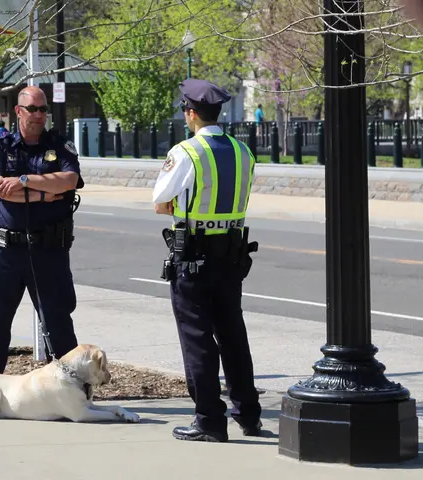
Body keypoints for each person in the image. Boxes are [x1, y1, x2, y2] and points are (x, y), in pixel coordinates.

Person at [153, 78, 262, 442]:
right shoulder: (243, 152)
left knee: (198, 340)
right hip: (231, 259)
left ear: (191, 113)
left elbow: (159, 202)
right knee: (233, 336)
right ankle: (248, 415)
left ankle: (209, 420)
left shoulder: (187, 153)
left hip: (194, 259)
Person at [0, 86, 84, 376]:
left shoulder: (59, 146)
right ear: (18, 112)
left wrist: (23, 181)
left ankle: (69, 388)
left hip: (49, 250)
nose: (38, 115)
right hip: (6, 252)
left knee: (57, 322)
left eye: (43, 109)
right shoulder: (3, 146)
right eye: (32, 109)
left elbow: (69, 180)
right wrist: (46, 192)